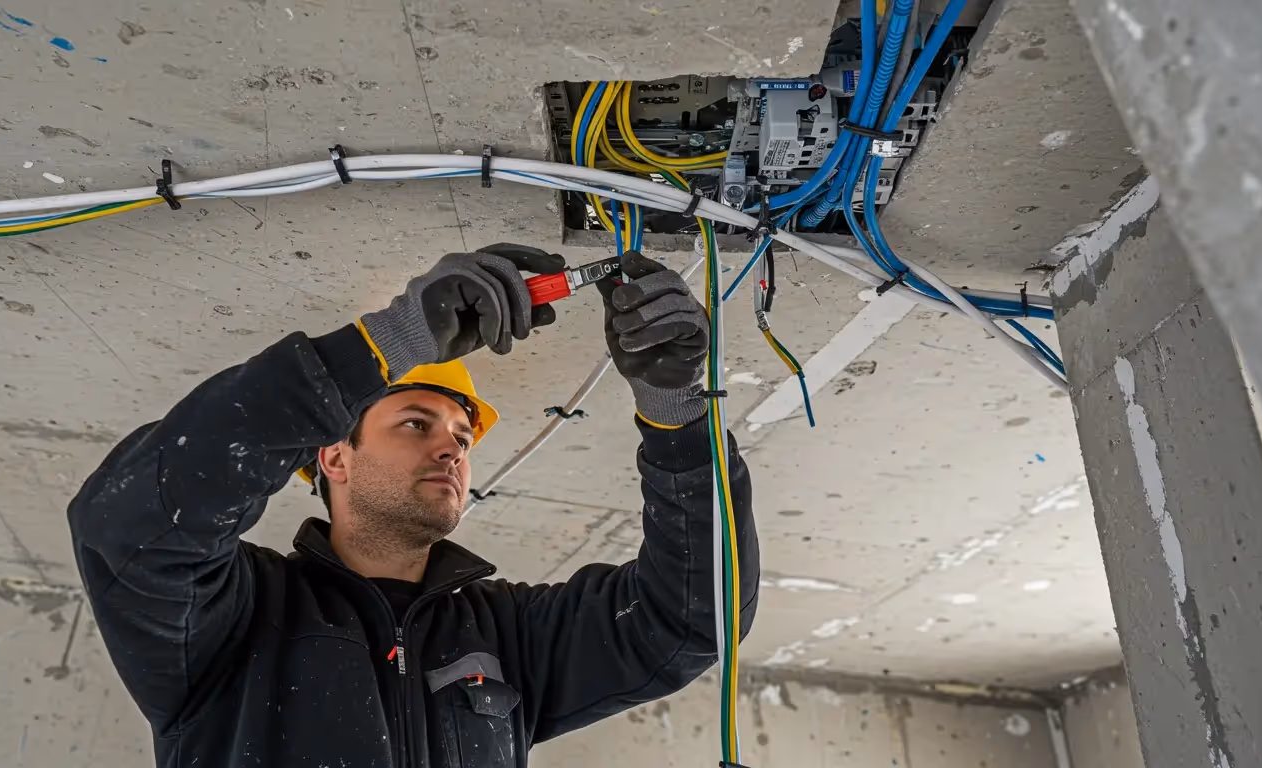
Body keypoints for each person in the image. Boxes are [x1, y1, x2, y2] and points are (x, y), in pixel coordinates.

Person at [68, 243, 759, 768]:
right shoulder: (236, 616)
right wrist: (390, 340)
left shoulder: (509, 633)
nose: (452, 449)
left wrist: (675, 408)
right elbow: (135, 521)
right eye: (414, 423)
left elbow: (693, 619)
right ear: (332, 456)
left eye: (462, 436)